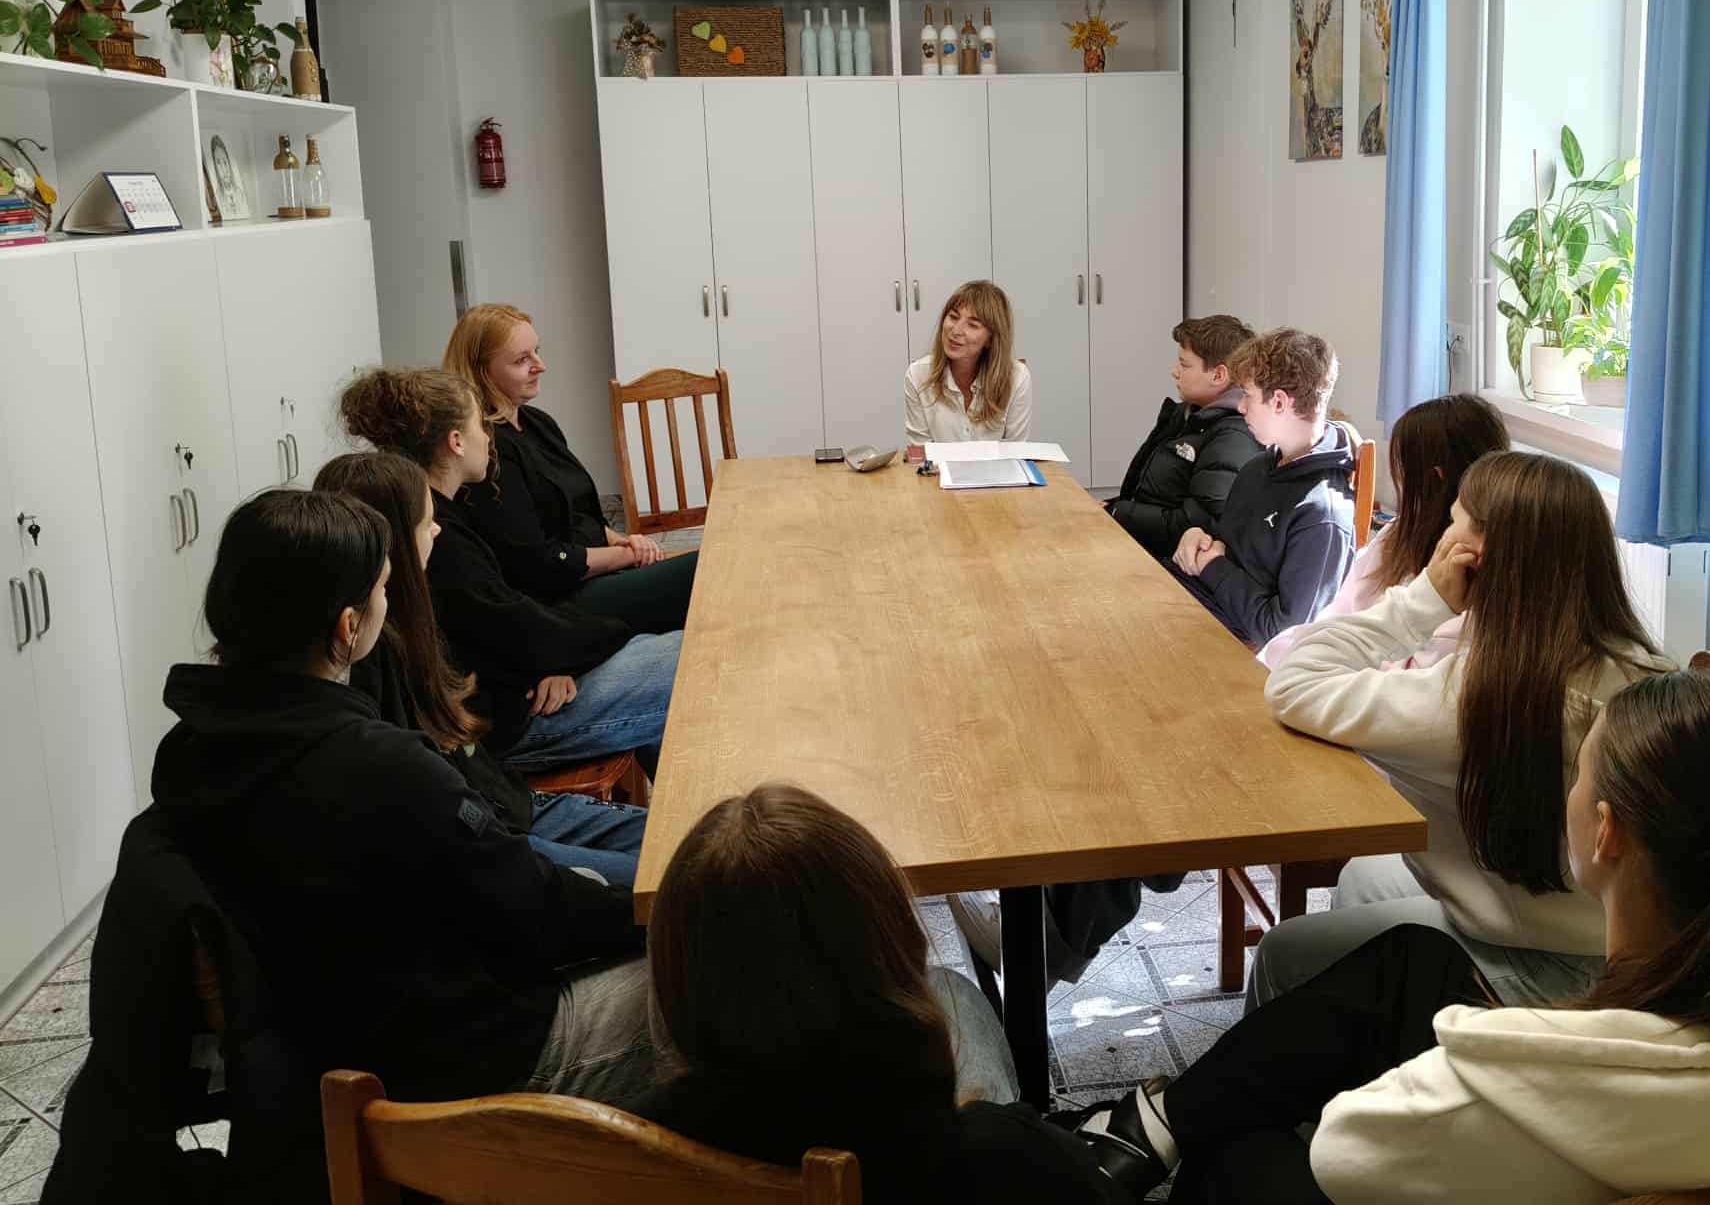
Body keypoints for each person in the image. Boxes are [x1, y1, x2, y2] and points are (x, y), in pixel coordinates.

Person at [1064, 671, 1710, 1201]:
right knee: (1413, 961)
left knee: (1236, 1152)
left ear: (1606, 833)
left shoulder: (1489, 1100)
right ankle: (1150, 1126)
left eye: (1580, 775)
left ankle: (1144, 1140)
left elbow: (1343, 1151)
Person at [151, 488, 656, 1109]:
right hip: (467, 1063)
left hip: (328, 1061)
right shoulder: (379, 764)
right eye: (384, 589)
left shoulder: (187, 753)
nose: (389, 602)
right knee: (719, 971)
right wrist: (663, 915)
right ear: (348, 626)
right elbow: (535, 909)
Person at [1247, 450, 1669, 1014]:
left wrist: (1422, 601)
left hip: (1546, 961)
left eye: (1454, 521)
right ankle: (1363, 1026)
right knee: (1366, 878)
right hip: (1615, 937)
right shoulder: (1643, 668)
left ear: (1476, 557)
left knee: (1282, 954)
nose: (1443, 535)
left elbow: (1294, 681)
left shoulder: (1475, 700)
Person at [644, 785, 1121, 1203]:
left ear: (672, 984)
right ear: (902, 948)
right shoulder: (1008, 1161)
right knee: (958, 993)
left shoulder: (627, 1148)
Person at [315, 449, 647, 890]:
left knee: (678, 845)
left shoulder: (415, 618)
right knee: (670, 878)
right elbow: (459, 838)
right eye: (427, 523)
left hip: (506, 803)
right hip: (490, 832)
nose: (438, 530)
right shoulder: (375, 664)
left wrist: (546, 666)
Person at [340, 367, 678, 776]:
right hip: (508, 720)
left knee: (673, 655)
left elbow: (509, 620)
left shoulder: (445, 512)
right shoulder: (437, 538)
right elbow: (514, 631)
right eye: (480, 426)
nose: (488, 437)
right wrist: (595, 640)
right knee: (694, 663)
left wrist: (555, 660)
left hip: (529, 679)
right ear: (456, 441)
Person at [444, 303, 695, 636]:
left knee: (712, 568)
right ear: (482, 372)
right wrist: (624, 555)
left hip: (596, 570)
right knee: (703, 571)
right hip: (559, 601)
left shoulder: (538, 423)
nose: (540, 366)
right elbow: (539, 565)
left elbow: (583, 514)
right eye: (521, 360)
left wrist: (625, 542)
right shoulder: (488, 450)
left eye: (537, 352)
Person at [1258, 391, 1509, 668]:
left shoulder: (1472, 589)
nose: (1398, 479)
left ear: (1434, 477)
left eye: (1403, 468)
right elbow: (1339, 614)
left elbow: (1401, 677)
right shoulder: (1398, 535)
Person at [1172, 327, 1355, 648]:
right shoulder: (1259, 466)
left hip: (1230, 643)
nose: (1240, 407)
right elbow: (1225, 543)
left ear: (1279, 402)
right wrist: (1196, 537)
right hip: (1194, 602)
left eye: (1248, 395)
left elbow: (1283, 635)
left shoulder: (1322, 514)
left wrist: (1214, 567)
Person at [1105, 314, 1261, 561]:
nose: (1175, 372)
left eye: (1185, 365)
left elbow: (1194, 525)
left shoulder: (1234, 437)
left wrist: (1117, 512)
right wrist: (1112, 508)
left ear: (1218, 375)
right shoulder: (1187, 413)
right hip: (1139, 542)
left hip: (1167, 564)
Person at [904, 280, 1033, 443]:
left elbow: (1015, 451)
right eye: (953, 317)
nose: (956, 331)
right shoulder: (917, 375)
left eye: (972, 325)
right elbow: (921, 452)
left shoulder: (1017, 378)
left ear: (991, 339)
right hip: (936, 462)